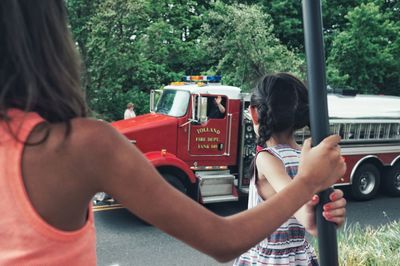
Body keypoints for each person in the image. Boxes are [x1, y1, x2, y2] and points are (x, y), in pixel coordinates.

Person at [0, 1, 346, 265]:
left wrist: (313, 211)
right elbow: (222, 239)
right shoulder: (80, 145)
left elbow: (306, 219)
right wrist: (308, 181)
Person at [234, 73, 346, 266]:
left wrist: (308, 215)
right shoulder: (307, 156)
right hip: (300, 257)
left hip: (269, 260)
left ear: (253, 113)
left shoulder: (267, 159)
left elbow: (292, 197)